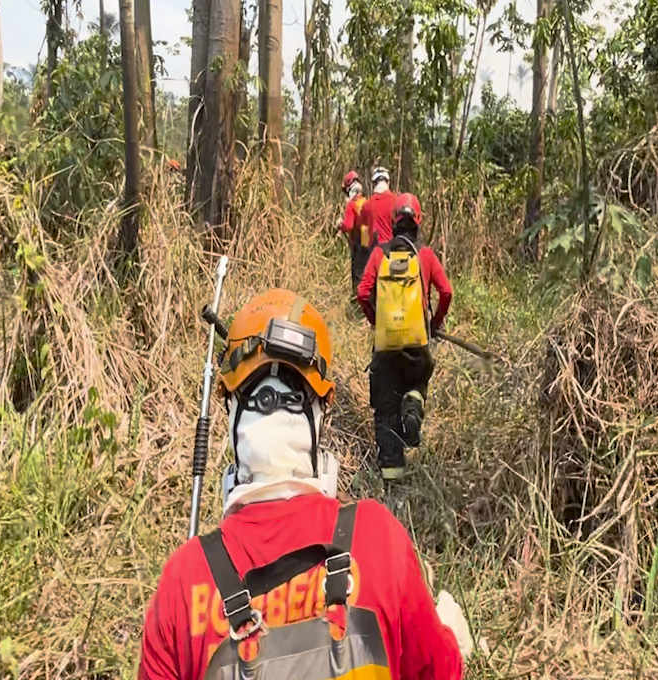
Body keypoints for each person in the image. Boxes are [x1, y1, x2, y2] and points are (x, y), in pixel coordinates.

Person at [137, 288, 472, 680]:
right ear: (320, 412)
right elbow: (439, 671)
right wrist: (452, 637)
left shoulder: (183, 579)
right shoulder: (379, 538)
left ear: (231, 412)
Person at [356, 194, 453, 492]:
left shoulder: (378, 255)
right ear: (419, 220)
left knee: (385, 412)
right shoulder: (425, 256)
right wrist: (434, 324)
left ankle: (393, 486)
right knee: (417, 382)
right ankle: (413, 403)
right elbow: (446, 292)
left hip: (385, 347)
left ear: (395, 221)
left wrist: (377, 322)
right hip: (417, 344)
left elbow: (362, 293)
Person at [335, 170, 370, 292]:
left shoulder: (351, 205)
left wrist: (340, 224)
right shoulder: (366, 202)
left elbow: (348, 225)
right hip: (369, 243)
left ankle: (357, 303)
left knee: (358, 275)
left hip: (357, 245)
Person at [360, 167, 399, 254]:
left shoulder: (367, 205)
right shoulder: (396, 201)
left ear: (374, 184)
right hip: (393, 252)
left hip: (374, 254)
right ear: (388, 182)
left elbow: (364, 238)